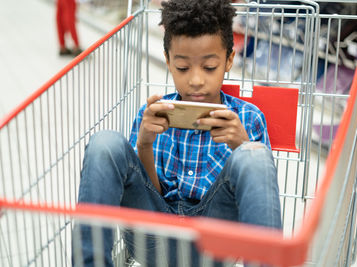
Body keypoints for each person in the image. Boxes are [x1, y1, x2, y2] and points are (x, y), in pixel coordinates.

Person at [72, 0, 281, 266]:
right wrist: (144, 144)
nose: (195, 80)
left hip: (215, 240)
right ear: (169, 61)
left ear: (229, 60)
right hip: (153, 236)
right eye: (183, 68)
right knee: (105, 143)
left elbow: (256, 198)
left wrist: (242, 146)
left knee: (254, 155)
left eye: (209, 67)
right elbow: (150, 192)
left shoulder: (248, 119)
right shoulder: (152, 116)